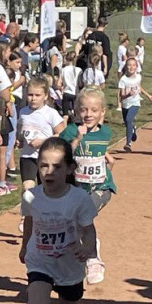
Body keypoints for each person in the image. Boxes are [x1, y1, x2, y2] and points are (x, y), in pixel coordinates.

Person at [19, 137, 98, 304]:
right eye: (43, 166)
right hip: (40, 261)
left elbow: (89, 229)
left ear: (69, 169)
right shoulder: (31, 196)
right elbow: (29, 221)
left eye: (56, 166)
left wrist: (88, 249)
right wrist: (24, 246)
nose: (49, 172)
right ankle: (36, 295)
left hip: (70, 266)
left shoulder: (79, 199)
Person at [59, 87, 113, 285]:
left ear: (102, 113)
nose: (88, 114)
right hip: (77, 189)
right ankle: (89, 248)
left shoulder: (105, 132)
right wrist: (77, 139)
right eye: (84, 110)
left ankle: (93, 260)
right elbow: (62, 155)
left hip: (102, 186)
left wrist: (107, 158)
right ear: (76, 111)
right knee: (75, 225)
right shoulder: (70, 131)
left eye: (94, 110)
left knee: (84, 215)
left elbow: (98, 151)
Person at [17, 76, 66, 190]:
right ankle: (27, 207)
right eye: (30, 95)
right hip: (28, 156)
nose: (33, 98)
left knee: (45, 188)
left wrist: (43, 141)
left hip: (46, 157)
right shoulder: (23, 112)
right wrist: (18, 139)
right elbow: (20, 129)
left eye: (37, 95)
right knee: (27, 187)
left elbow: (63, 134)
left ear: (46, 96)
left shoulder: (50, 113)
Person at [117, 56, 152, 152]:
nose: (131, 67)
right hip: (125, 103)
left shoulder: (138, 77)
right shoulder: (123, 80)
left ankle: (128, 144)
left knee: (129, 119)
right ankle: (132, 129)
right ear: (126, 67)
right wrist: (128, 94)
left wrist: (148, 95)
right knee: (127, 123)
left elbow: (139, 87)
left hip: (135, 102)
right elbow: (122, 96)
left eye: (134, 65)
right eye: (129, 65)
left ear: (136, 67)